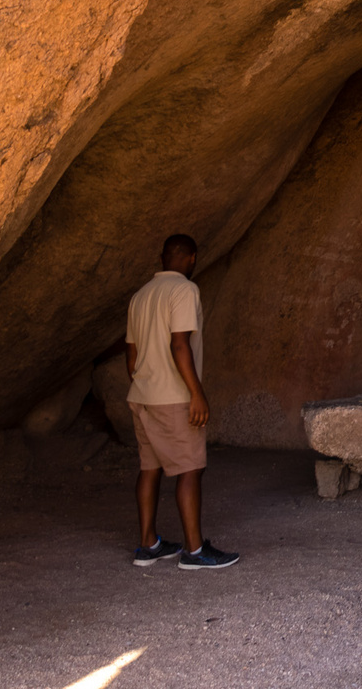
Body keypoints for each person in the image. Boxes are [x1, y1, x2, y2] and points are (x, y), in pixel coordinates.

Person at [125, 233, 239, 570]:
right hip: (173, 397)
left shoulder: (140, 296)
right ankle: (194, 552)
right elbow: (179, 345)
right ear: (191, 258)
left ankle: (149, 545)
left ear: (162, 259)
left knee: (150, 468)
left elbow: (130, 354)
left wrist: (144, 381)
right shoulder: (185, 290)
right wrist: (196, 393)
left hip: (142, 396)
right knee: (190, 468)